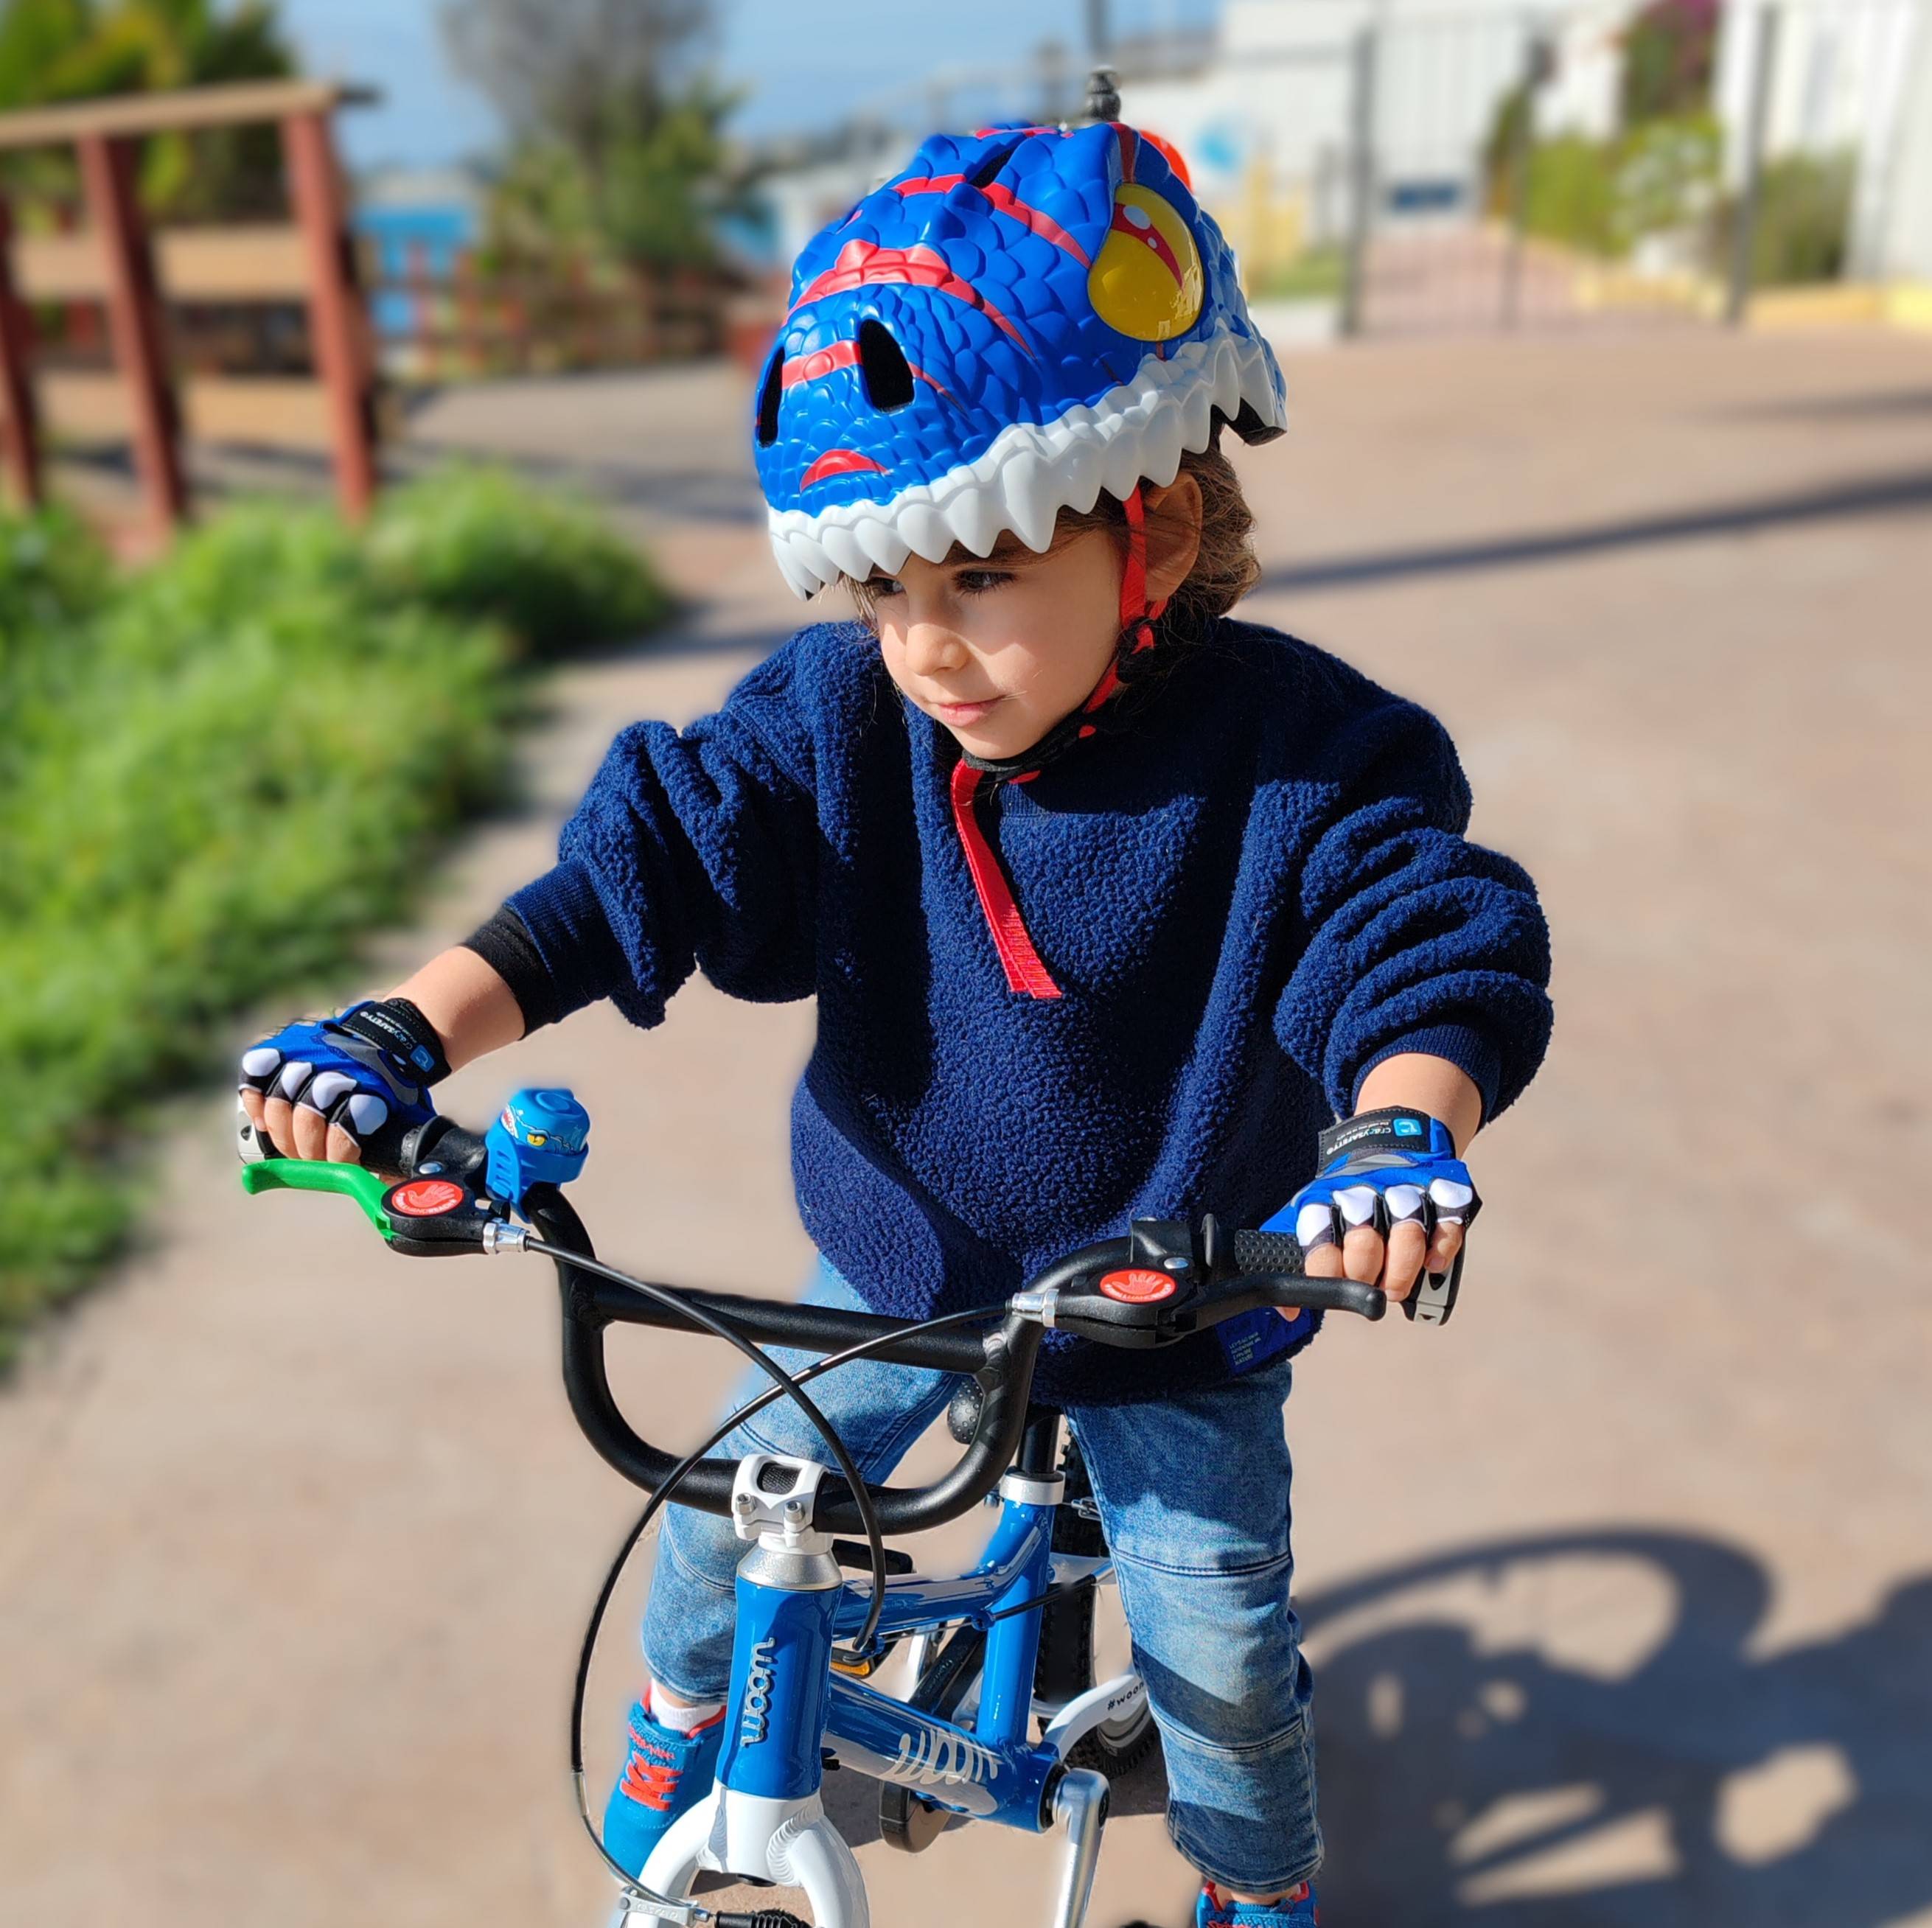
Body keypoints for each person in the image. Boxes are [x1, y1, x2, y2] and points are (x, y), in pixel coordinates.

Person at [238, 117, 1552, 1928]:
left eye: (986, 576)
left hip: (1179, 1300)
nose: (927, 650)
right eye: (888, 588)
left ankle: (1260, 1891)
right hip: (907, 1258)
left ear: (1152, 529)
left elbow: (1422, 940)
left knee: (1225, 1656)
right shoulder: (853, 719)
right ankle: (682, 1724)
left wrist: (1401, 1133)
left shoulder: (1303, 759)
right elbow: (651, 867)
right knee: (713, 1527)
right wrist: (402, 1029)